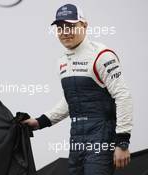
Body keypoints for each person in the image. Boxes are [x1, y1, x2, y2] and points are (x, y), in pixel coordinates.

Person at [23, 4, 133, 175]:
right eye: (60, 27)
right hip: (76, 137)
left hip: (101, 136)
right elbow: (72, 101)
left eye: (71, 26)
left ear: (85, 25)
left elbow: (123, 96)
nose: (65, 32)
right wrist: (40, 122)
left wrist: (123, 142)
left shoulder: (102, 55)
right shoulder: (62, 61)